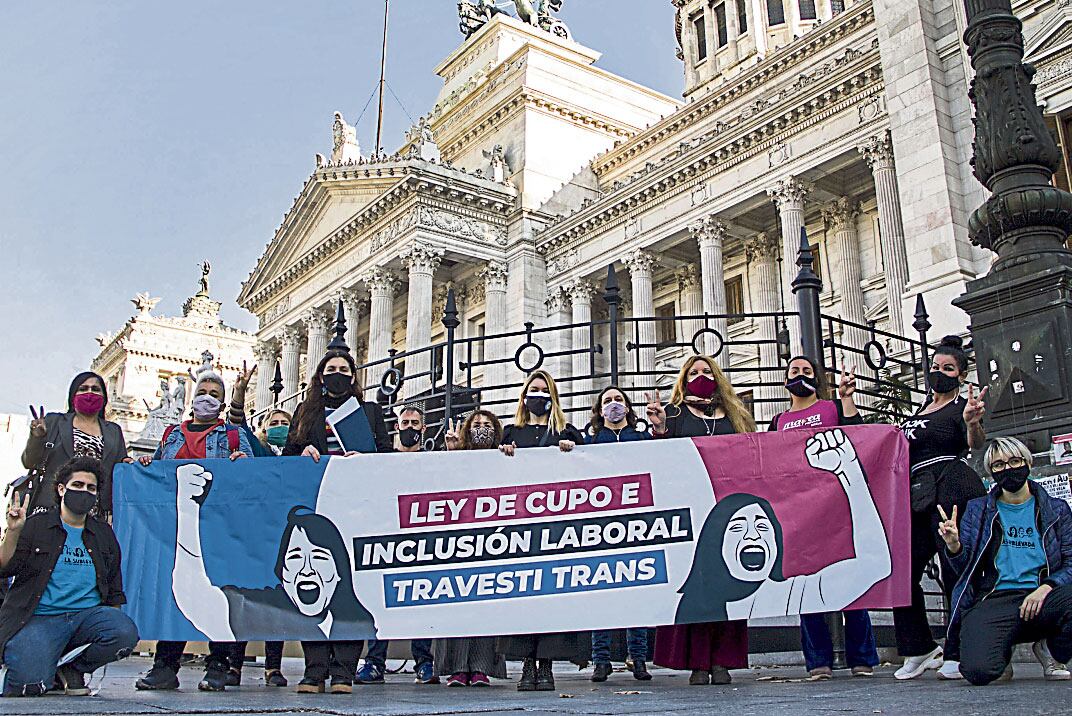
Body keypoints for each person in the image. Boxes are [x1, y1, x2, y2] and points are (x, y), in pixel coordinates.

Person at [133, 371, 253, 692]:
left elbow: (253, 475)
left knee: (221, 592)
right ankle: (165, 666)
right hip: (177, 527)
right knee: (175, 593)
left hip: (219, 526)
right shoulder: (172, 434)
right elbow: (159, 472)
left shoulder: (233, 435)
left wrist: (242, 461)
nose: (208, 396)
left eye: (215, 392)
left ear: (222, 401)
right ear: (193, 396)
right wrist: (148, 463)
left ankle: (217, 665)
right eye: (203, 390)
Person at [284, 349, 391, 693]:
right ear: (320, 377)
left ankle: (344, 669)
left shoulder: (370, 412)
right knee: (312, 580)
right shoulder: (306, 413)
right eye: (331, 369)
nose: (338, 374)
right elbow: (287, 455)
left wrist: (367, 459)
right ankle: (314, 669)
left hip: (357, 507)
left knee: (349, 584)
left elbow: (387, 456)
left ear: (354, 377)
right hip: (318, 503)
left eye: (344, 369)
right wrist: (302, 452)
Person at [766, 356, 879, 679]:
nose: (800, 376)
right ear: (784, 378)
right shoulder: (779, 421)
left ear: (818, 378)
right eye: (794, 372)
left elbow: (860, 438)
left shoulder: (832, 409)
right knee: (806, 587)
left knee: (852, 581)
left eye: (806, 371)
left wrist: (847, 399)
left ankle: (862, 657)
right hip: (799, 511)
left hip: (836, 504)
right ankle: (818, 661)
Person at [645, 354, 755, 685]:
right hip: (690, 509)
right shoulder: (675, 414)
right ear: (683, 378)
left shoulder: (736, 414)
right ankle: (697, 660)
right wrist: (660, 429)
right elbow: (660, 460)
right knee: (696, 585)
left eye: (707, 371)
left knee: (728, 580)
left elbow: (752, 453)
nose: (701, 376)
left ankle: (723, 659)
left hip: (729, 506)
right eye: (693, 372)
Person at [0, 457, 139, 697]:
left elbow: (114, 585)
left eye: (91, 488)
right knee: (27, 687)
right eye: (78, 485)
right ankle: (46, 666)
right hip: (39, 618)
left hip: (86, 617)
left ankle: (73, 669)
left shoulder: (103, 533)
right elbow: (5, 568)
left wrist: (113, 628)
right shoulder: (36, 526)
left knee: (124, 632)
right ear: (62, 489)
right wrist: (13, 532)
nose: (84, 491)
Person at [940, 437, 1072, 685]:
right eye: (999, 465)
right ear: (991, 472)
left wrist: (1047, 587)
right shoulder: (978, 509)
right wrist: (954, 545)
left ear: (1027, 464)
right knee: (978, 672)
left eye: (1014, 461)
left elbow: (1070, 561)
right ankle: (1001, 649)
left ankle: (1052, 650)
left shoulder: (1057, 509)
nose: (1008, 469)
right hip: (996, 598)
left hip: (1043, 596)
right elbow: (965, 568)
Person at [894, 336, 987, 681]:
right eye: (935, 366)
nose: (939, 372)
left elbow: (974, 444)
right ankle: (917, 646)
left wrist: (973, 422)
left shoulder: (961, 407)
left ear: (961, 375)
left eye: (948, 368)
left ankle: (958, 649)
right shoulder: (920, 409)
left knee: (954, 568)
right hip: (917, 493)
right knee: (903, 570)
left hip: (952, 486)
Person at [497, 370, 586, 691]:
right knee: (523, 598)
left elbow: (593, 463)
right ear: (524, 396)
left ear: (553, 397)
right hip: (521, 529)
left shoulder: (566, 431)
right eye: (533, 390)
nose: (538, 396)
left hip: (557, 529)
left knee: (550, 598)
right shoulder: (511, 433)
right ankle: (526, 664)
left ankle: (546, 665)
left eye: (544, 391)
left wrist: (573, 447)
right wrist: (503, 454)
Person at [356, 405, 437, 686]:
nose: (410, 427)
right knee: (380, 602)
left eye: (415, 423)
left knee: (422, 603)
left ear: (423, 429)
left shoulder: (432, 461)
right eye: (405, 422)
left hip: (420, 539)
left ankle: (424, 663)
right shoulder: (382, 460)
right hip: (386, 537)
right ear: (397, 427)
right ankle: (374, 662)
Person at [434, 409, 510, 687]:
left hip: (493, 540)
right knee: (456, 602)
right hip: (459, 540)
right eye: (476, 424)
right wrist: (452, 455)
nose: (481, 429)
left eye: (487, 425)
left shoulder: (504, 458)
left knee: (486, 604)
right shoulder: (455, 455)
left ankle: (481, 667)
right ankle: (456, 667)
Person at [584, 387, 653, 682]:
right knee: (602, 594)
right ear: (600, 411)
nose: (614, 405)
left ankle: (638, 658)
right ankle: (600, 659)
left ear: (628, 408)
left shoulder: (641, 439)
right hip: (601, 523)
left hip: (636, 521)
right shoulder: (590, 442)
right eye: (608, 401)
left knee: (636, 594)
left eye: (619, 400)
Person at [22, 372, 130, 520]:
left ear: (104, 397)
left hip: (93, 514)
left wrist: (130, 465)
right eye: (83, 388)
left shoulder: (114, 431)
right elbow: (29, 462)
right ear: (73, 396)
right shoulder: (54, 422)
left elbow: (119, 470)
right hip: (51, 508)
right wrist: (37, 438)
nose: (89, 393)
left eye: (95, 389)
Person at [248, 407, 293, 687]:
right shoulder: (257, 451)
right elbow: (239, 427)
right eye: (273, 423)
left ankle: (273, 666)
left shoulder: (299, 454)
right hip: (255, 531)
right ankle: (233, 663)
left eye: (284, 423)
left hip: (285, 534)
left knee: (278, 601)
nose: (279, 427)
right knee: (247, 598)